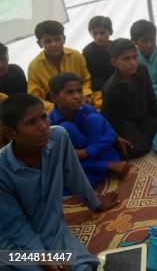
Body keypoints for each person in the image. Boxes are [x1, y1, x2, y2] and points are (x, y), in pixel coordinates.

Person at [0, 93, 119, 271]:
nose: (43, 127)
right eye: (31, 123)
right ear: (10, 133)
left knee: (82, 267)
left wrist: (95, 203)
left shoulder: (58, 137)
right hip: (13, 241)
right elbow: (13, 224)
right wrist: (42, 257)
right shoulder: (2, 168)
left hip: (52, 230)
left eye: (43, 117)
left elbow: (74, 174)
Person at [48, 72, 129, 188]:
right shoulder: (51, 126)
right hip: (76, 165)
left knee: (95, 119)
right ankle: (101, 169)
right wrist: (108, 165)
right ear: (54, 97)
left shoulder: (87, 109)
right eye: (69, 92)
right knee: (66, 128)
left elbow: (110, 134)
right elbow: (62, 161)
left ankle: (100, 168)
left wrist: (87, 151)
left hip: (90, 155)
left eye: (79, 91)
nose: (77, 96)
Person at [102, 39, 157, 158]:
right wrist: (116, 137)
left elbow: (151, 97)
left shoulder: (142, 70)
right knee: (137, 149)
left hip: (145, 117)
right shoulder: (110, 88)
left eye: (135, 57)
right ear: (114, 63)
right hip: (127, 124)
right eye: (126, 59)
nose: (133, 62)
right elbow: (107, 117)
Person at [27, 21, 95, 112]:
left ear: (64, 39)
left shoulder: (76, 56)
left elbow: (86, 80)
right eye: (48, 41)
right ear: (39, 44)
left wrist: (85, 95)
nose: (54, 44)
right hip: (55, 110)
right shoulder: (34, 67)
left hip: (80, 102)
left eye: (57, 39)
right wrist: (55, 107)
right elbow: (35, 98)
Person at [82, 16, 115, 108]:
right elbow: (90, 77)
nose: (98, 37)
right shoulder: (87, 51)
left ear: (110, 32)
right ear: (90, 32)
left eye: (102, 33)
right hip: (99, 90)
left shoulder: (116, 47)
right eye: (95, 33)